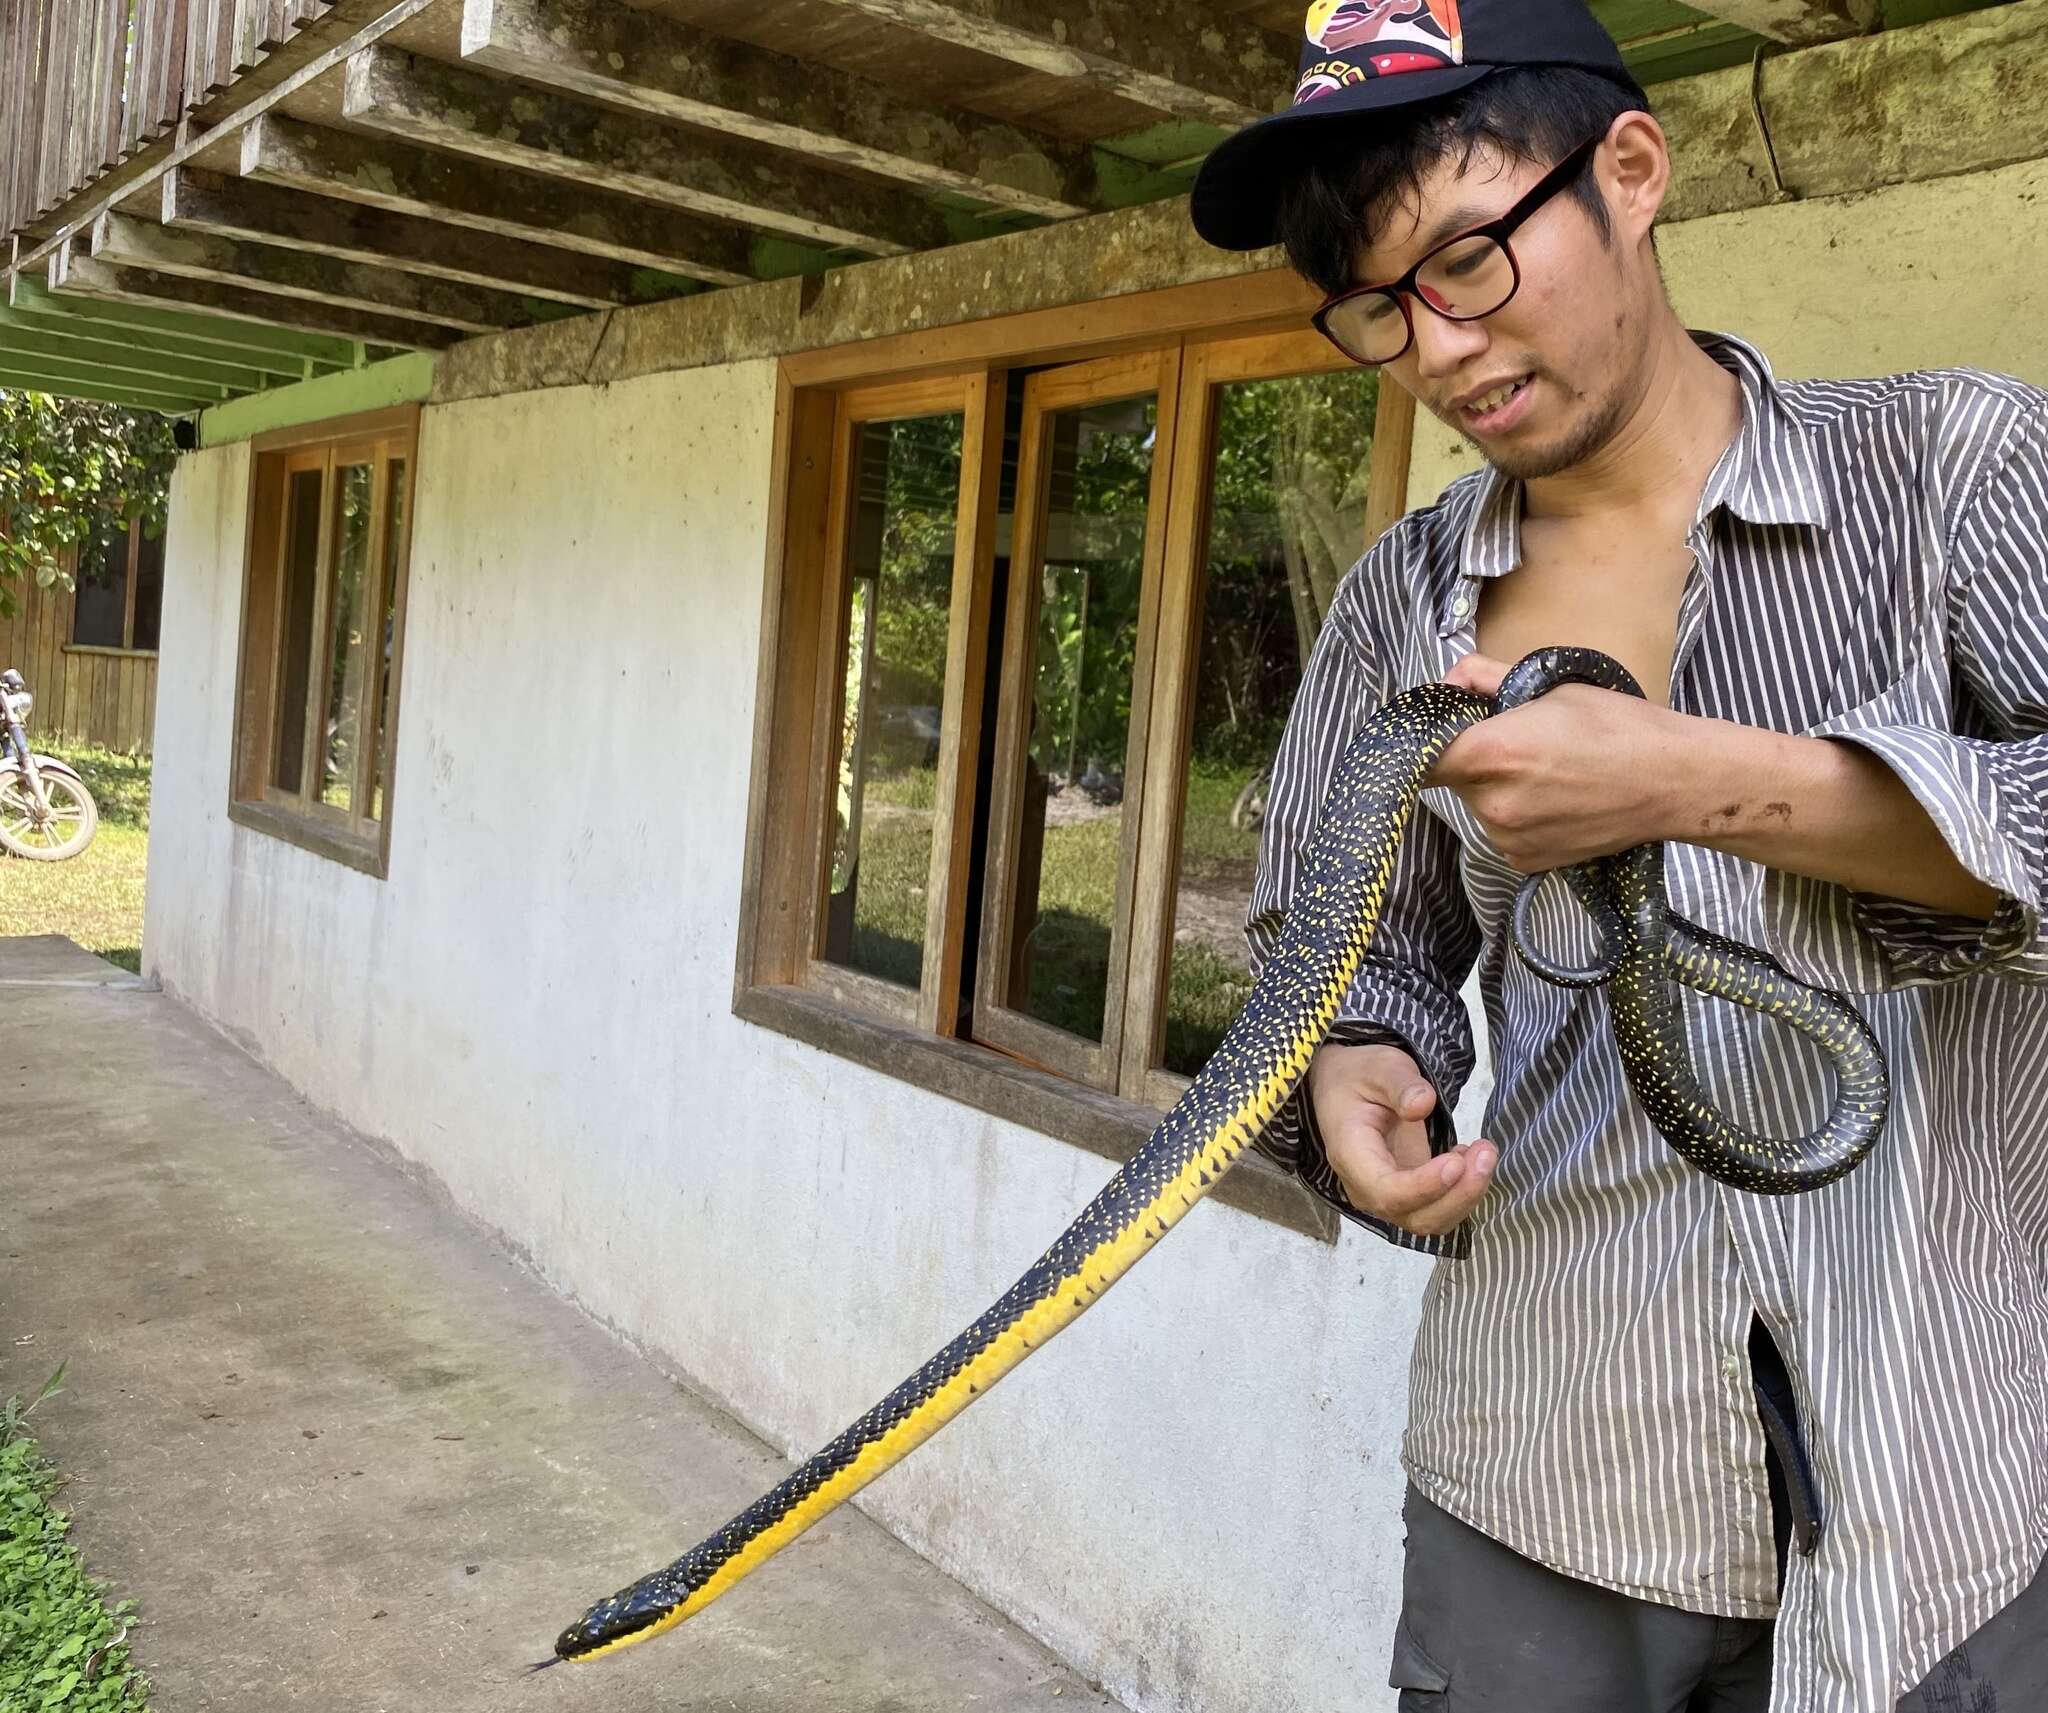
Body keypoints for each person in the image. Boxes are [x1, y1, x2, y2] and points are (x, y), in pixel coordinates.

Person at [1188, 1, 2048, 1707]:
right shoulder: (1400, 611)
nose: (1436, 347)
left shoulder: (1960, 469)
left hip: (1947, 1449)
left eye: (1472, 261)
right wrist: (1357, 1060)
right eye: (1379, 308)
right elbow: (1346, 942)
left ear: (1631, 172)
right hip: (1551, 1452)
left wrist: (1686, 781)